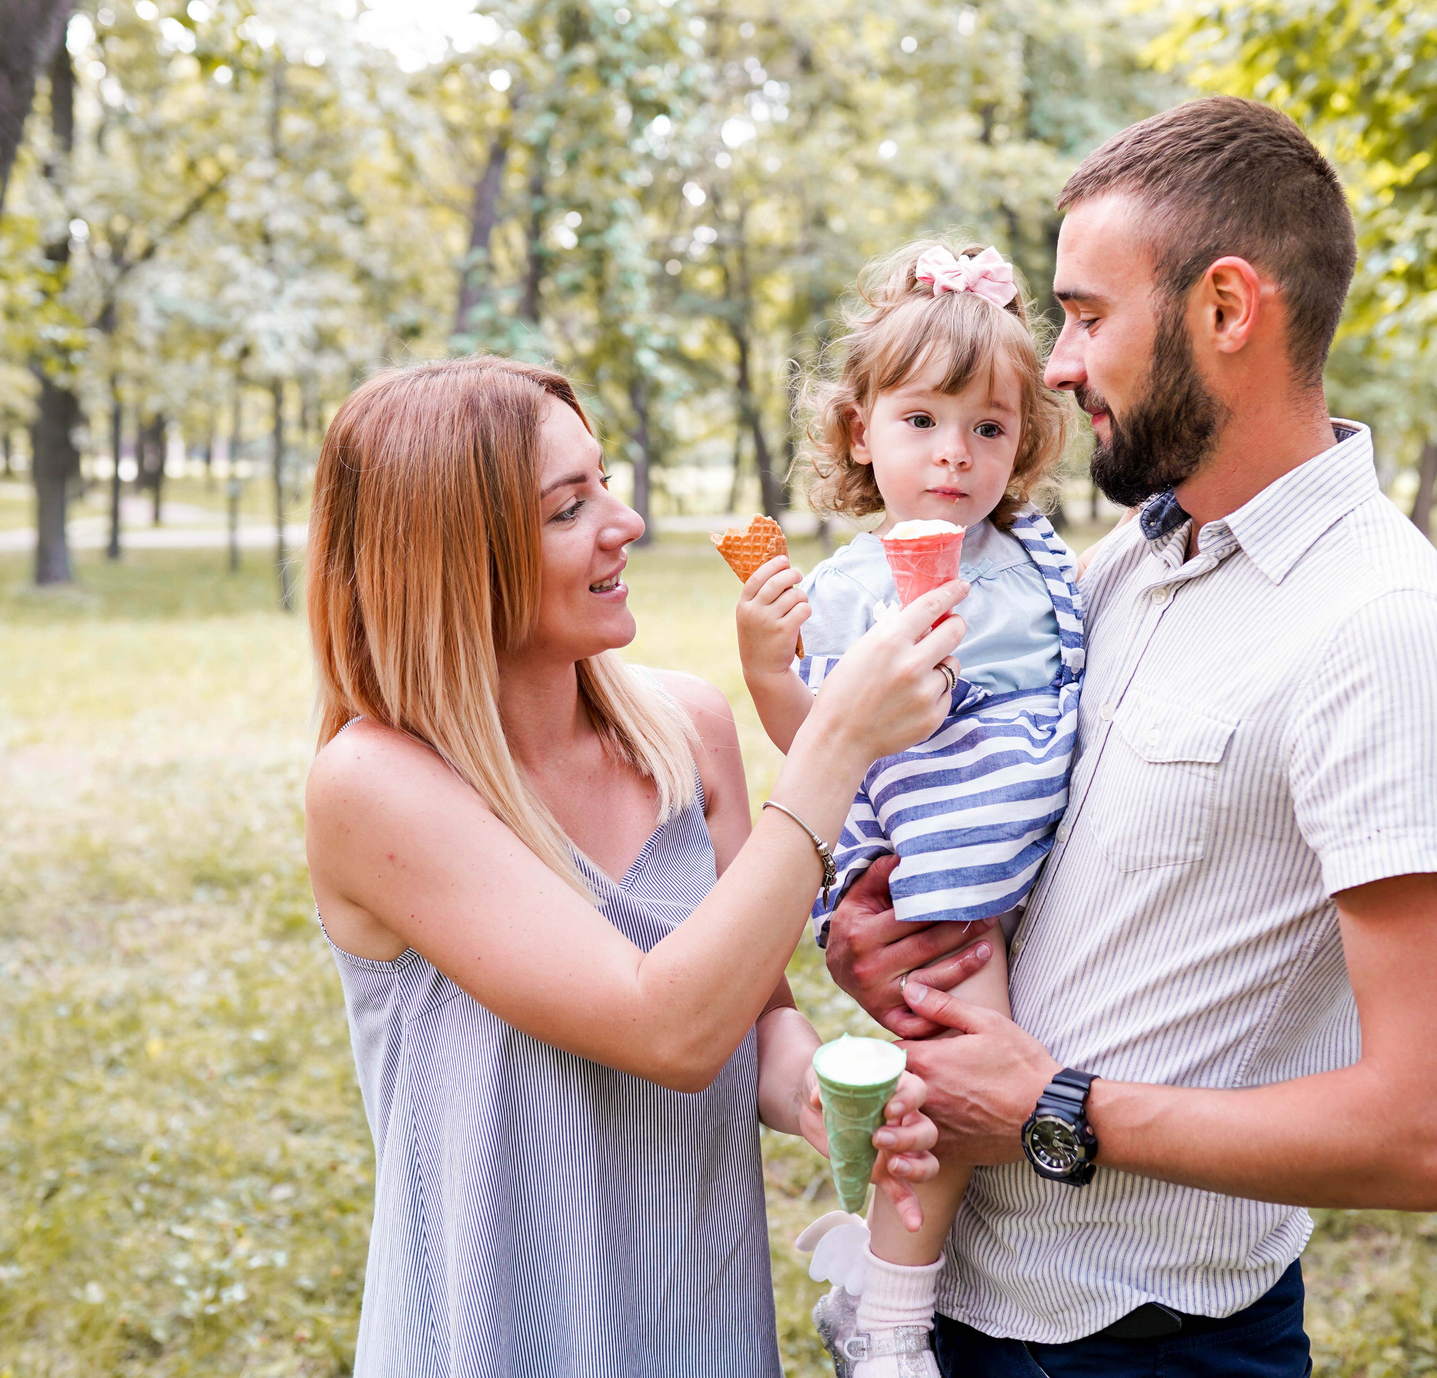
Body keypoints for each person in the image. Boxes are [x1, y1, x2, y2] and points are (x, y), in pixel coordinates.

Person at [825, 96, 1437, 1376]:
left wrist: (1051, 1108)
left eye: (1087, 315)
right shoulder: (1118, 570)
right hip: (966, 1311)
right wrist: (894, 928)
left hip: (1143, 1347)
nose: (1054, 366)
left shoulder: (1389, 633)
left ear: (1225, 310)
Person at [301, 355, 966, 1378]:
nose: (627, 521)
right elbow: (668, 1026)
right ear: (451, 556)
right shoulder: (377, 785)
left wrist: (819, 1096)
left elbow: (748, 1013)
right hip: (505, 1341)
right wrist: (837, 745)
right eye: (569, 508)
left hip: (697, 1321)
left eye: (604, 480)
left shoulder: (686, 728)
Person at [731, 240, 1078, 1377]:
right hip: (932, 885)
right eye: (922, 421)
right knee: (949, 1101)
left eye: (988, 428)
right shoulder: (847, 589)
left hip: (1027, 871)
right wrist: (769, 666)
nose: (953, 456)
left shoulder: (1042, 566)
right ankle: (885, 1323)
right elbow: (812, 745)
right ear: (858, 432)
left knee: (968, 1101)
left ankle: (873, 1278)